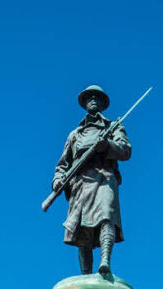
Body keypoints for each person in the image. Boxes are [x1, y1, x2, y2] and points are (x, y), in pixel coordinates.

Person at [53, 85, 131, 278]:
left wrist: (107, 145)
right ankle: (85, 274)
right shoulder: (75, 134)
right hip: (80, 183)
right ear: (85, 103)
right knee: (83, 231)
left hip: (104, 177)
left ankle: (105, 262)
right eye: (90, 97)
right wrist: (58, 179)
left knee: (107, 216)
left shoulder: (113, 127)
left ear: (104, 103)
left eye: (98, 97)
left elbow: (125, 150)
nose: (94, 99)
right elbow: (63, 163)